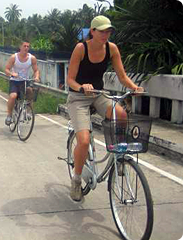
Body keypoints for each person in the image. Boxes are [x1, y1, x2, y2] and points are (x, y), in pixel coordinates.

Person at [66, 15, 144, 202]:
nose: (105, 34)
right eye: (101, 31)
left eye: (108, 31)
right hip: (78, 97)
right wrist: (81, 87)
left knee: (122, 115)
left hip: (99, 94)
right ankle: (76, 180)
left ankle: (119, 157)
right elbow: (70, 79)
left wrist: (134, 88)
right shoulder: (81, 48)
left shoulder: (112, 48)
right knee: (83, 141)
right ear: (92, 31)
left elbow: (122, 76)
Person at [4, 41, 40, 125]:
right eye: (24, 46)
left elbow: (36, 70)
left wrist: (36, 77)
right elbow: (6, 69)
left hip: (25, 80)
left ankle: (28, 111)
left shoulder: (32, 58)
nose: (26, 48)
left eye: (28, 46)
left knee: (30, 91)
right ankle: (9, 115)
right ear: (20, 47)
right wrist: (12, 74)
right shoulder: (14, 57)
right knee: (13, 96)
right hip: (14, 80)